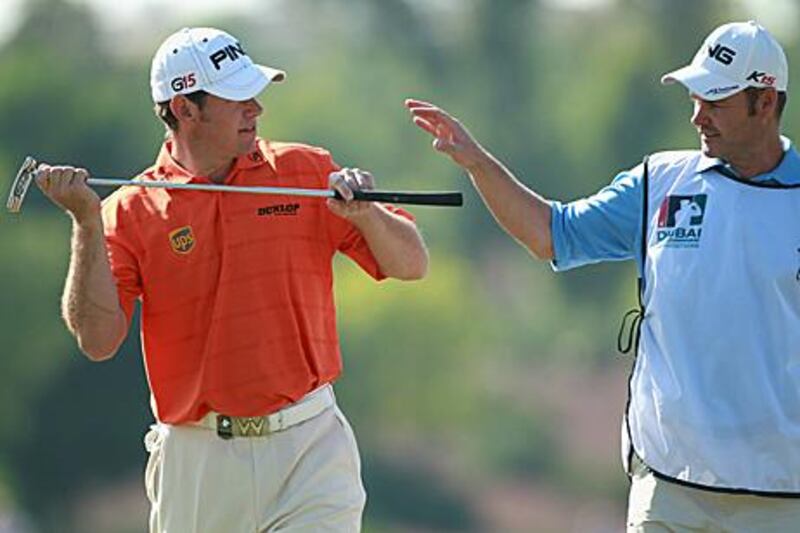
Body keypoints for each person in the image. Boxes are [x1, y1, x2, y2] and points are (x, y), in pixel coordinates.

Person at [407, 20, 800, 532]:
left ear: (765, 103)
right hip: (668, 486)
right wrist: (477, 163)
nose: (697, 116)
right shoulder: (660, 182)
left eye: (716, 101)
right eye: (695, 98)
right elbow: (552, 233)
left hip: (780, 497)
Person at [36, 27, 428, 532]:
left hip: (309, 446)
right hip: (198, 460)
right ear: (184, 109)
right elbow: (96, 339)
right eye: (238, 97)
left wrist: (367, 215)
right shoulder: (128, 212)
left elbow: (411, 263)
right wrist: (86, 224)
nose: (256, 109)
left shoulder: (305, 171)